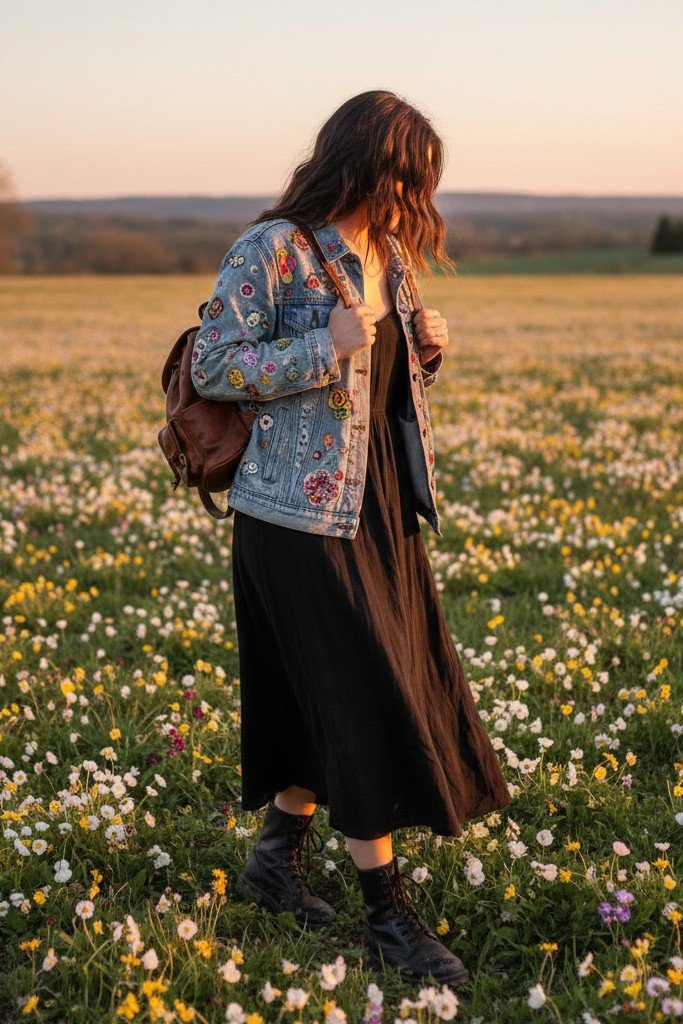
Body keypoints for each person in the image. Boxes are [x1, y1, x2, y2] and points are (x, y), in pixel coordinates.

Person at [190, 90, 512, 986]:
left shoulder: (391, 254)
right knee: (363, 696)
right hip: (290, 518)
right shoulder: (272, 250)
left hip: (374, 509)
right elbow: (214, 362)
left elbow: (375, 395)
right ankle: (386, 917)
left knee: (327, 692)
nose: (416, 199)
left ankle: (271, 863)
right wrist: (318, 349)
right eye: (408, 179)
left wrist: (424, 350)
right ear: (369, 165)